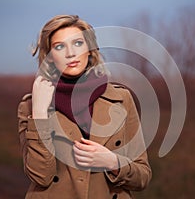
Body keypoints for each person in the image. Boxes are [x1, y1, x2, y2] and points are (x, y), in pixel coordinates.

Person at [17, 14, 151, 199]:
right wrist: (39, 112)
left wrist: (112, 162)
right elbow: (41, 176)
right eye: (59, 46)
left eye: (78, 43)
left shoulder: (121, 98)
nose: (70, 53)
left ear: (90, 49)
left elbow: (142, 177)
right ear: (49, 56)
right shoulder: (31, 105)